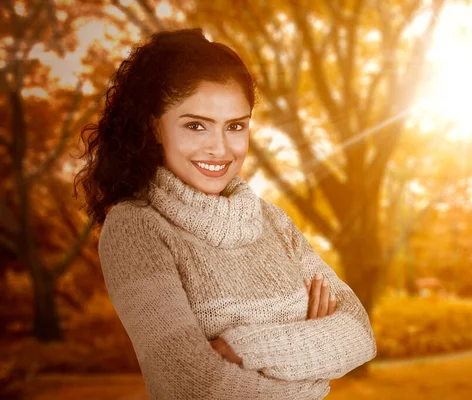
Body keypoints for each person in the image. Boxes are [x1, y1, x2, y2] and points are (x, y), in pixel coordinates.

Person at [74, 28, 377, 400]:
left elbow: (359, 334)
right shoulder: (136, 227)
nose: (219, 149)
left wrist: (242, 350)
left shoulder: (273, 221)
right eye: (196, 125)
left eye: (235, 126)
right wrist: (311, 374)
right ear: (154, 126)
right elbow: (190, 385)